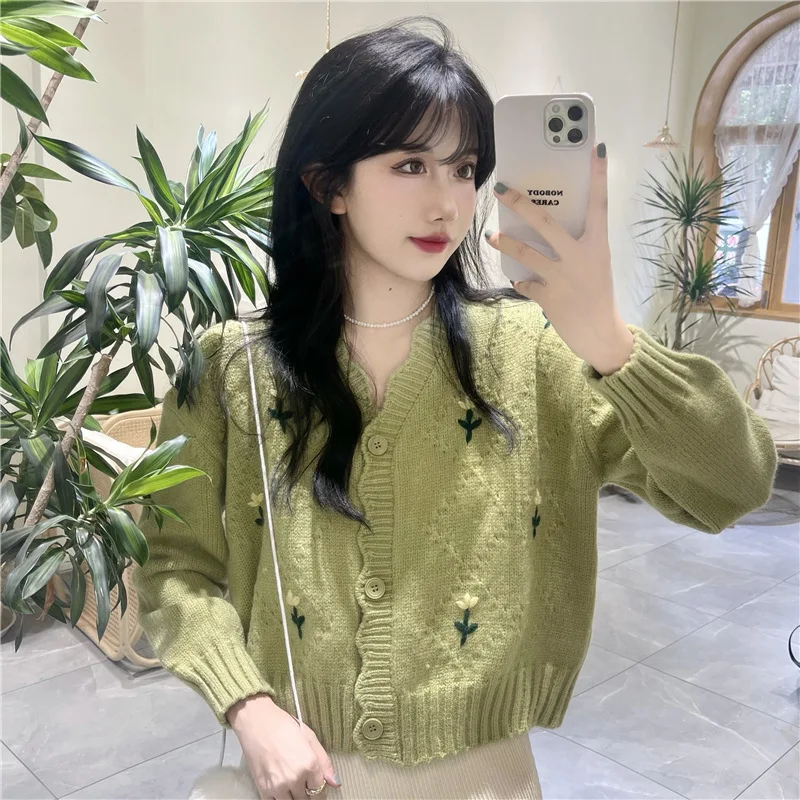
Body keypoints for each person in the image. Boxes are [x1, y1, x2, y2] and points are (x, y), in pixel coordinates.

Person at [131, 16, 778, 800]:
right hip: (296, 769)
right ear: (328, 185)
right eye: (410, 164)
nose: (448, 203)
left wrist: (610, 340)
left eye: (465, 168)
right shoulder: (229, 366)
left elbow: (733, 487)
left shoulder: (537, 352)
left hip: (489, 777)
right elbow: (173, 566)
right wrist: (248, 706)